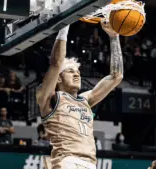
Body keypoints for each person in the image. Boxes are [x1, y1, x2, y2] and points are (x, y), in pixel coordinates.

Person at [36, 21, 123, 169]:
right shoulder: (50, 98)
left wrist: (114, 37)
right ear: (58, 78)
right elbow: (56, 63)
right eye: (70, 71)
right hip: (66, 161)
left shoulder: (86, 100)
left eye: (78, 72)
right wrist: (65, 23)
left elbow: (116, 76)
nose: (76, 75)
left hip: (90, 163)